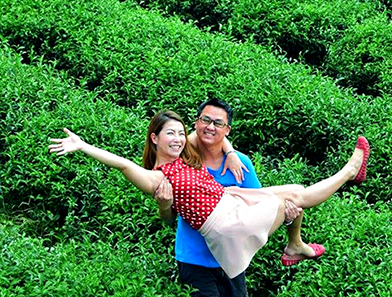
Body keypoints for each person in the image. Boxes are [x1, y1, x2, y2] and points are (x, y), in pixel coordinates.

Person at [49, 110, 370, 285]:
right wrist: (83, 146)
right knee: (294, 200)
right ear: (154, 139)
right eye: (170, 134)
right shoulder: (157, 177)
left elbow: (210, 130)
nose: (178, 138)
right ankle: (349, 171)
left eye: (180, 132)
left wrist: (229, 152)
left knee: (293, 191)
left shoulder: (185, 154)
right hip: (223, 223)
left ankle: (295, 246)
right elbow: (122, 164)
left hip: (230, 200)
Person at [154, 98, 316, 297]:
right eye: (205, 120)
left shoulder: (241, 163)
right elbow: (168, 219)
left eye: (218, 123)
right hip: (194, 260)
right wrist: (164, 205)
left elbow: (257, 205)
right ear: (196, 122)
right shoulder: (183, 159)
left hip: (232, 259)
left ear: (228, 129)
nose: (210, 127)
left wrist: (287, 217)